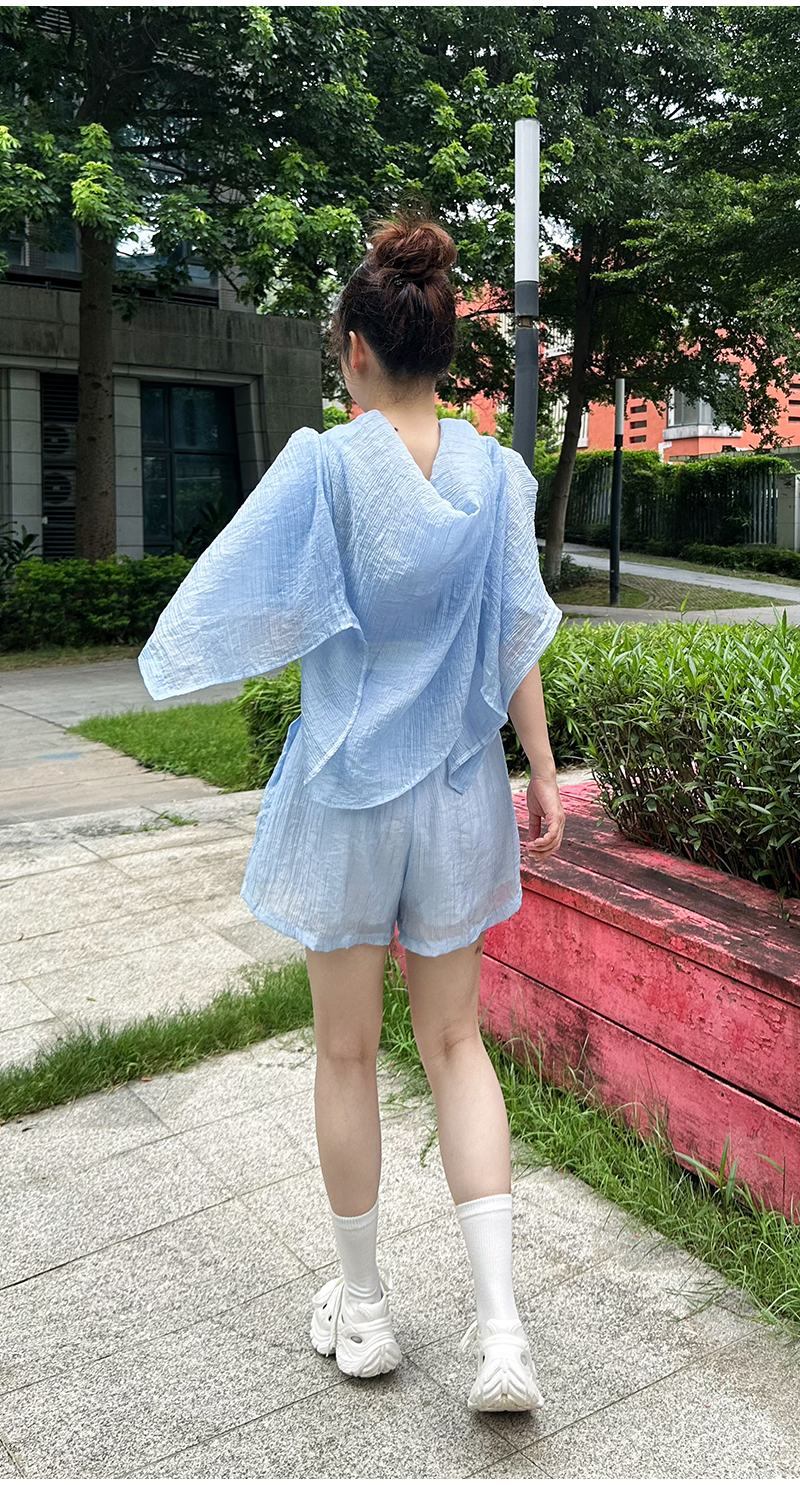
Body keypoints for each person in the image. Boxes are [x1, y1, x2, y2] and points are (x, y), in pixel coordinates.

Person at [137, 211, 565, 1413]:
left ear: (357, 352)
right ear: (438, 350)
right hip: (457, 791)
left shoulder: (325, 466)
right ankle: (500, 1335)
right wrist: (539, 766)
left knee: (345, 1050)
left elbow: (241, 600)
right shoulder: (497, 474)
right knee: (456, 1045)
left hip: (342, 792)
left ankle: (364, 1312)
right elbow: (516, 630)